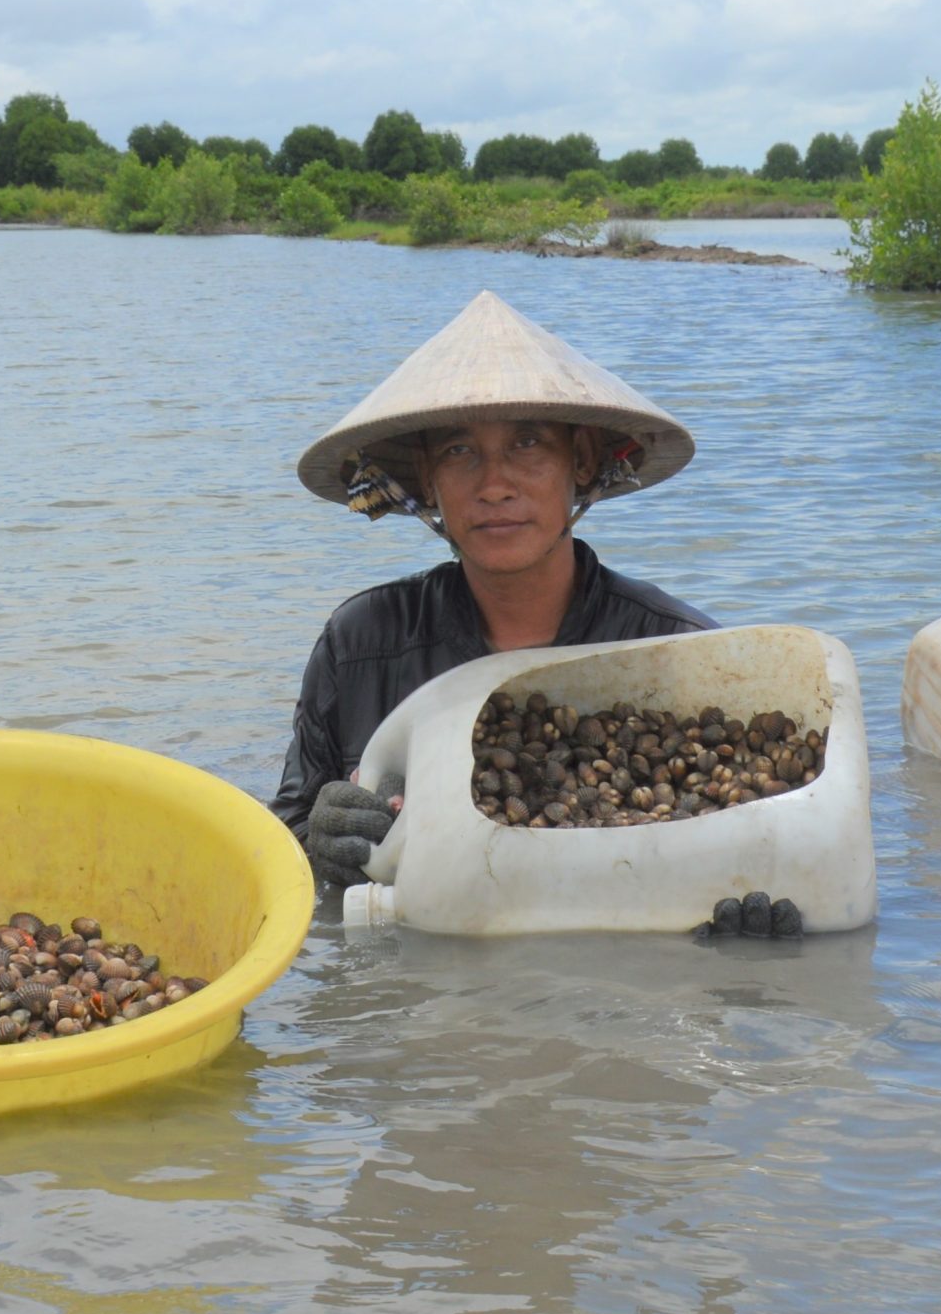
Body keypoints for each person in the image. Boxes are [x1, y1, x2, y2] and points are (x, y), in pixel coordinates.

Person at [275, 290, 717, 887]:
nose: (495, 485)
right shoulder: (360, 647)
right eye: (460, 452)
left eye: (527, 444)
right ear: (429, 483)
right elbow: (283, 848)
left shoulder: (677, 650)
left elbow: (749, 835)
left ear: (581, 462)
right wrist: (320, 844)